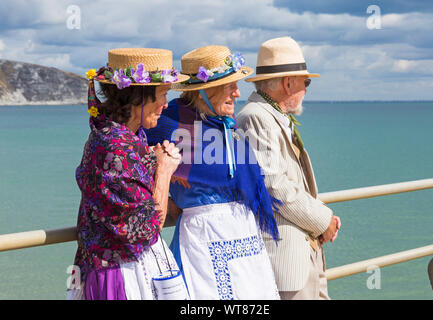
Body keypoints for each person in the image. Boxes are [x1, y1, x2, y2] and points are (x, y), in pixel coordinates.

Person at [145, 45, 280, 300]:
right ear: (206, 90)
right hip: (203, 243)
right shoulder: (169, 125)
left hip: (246, 246)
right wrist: (167, 190)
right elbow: (140, 160)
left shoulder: (226, 129)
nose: (238, 93)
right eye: (230, 86)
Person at [66, 48, 190, 300]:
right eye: (163, 95)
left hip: (110, 270)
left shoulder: (112, 136)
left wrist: (153, 163)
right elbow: (147, 229)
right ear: (139, 97)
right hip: (119, 277)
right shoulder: (118, 148)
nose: (166, 105)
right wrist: (164, 171)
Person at [236, 37, 341, 300]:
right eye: (306, 82)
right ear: (288, 83)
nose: (306, 89)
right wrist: (322, 219)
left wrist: (321, 218)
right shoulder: (256, 116)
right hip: (287, 262)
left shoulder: (269, 116)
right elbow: (273, 186)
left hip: (303, 255)